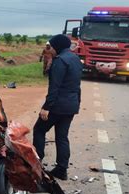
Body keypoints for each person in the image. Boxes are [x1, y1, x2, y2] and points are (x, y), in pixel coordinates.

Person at [33, 34, 82, 180]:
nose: (51, 50)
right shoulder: (76, 59)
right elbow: (77, 85)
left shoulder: (60, 61)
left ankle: (37, 163)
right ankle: (62, 169)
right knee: (62, 137)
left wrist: (46, 107)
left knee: (39, 129)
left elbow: (55, 87)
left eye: (52, 47)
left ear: (58, 46)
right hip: (71, 105)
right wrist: (76, 104)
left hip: (58, 105)